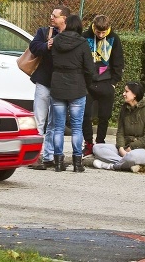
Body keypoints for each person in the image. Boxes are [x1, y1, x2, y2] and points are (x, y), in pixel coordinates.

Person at [28, 6, 71, 170]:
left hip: (60, 85)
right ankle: (34, 156)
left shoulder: (70, 36)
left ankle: (48, 156)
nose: (51, 17)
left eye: (55, 15)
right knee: (39, 120)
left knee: (55, 123)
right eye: (51, 14)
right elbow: (33, 47)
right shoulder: (44, 32)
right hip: (44, 82)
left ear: (64, 18)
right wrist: (47, 45)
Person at [50, 14, 94, 172]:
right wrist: (87, 84)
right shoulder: (82, 43)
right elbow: (89, 68)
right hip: (77, 86)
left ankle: (58, 162)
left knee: (58, 127)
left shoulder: (56, 41)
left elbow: (52, 62)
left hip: (57, 86)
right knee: (76, 127)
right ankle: (77, 163)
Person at [81, 14, 124, 156]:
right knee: (85, 114)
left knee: (104, 116)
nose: (100, 35)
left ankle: (100, 143)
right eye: (98, 32)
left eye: (103, 33)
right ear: (94, 26)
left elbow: (118, 61)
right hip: (88, 83)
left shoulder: (114, 38)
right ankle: (88, 143)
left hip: (106, 82)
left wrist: (114, 82)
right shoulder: (85, 37)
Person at [92, 81, 145, 172]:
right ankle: (126, 164)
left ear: (134, 94)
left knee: (132, 156)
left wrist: (131, 147)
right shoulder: (124, 109)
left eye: (126, 91)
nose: (123, 94)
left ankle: (110, 166)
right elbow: (120, 132)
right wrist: (121, 148)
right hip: (125, 148)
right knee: (97, 148)